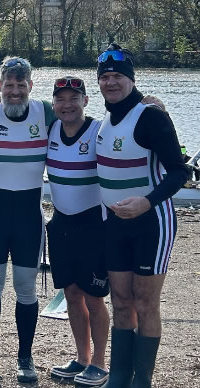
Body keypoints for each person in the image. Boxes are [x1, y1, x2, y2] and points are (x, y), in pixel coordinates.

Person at [95, 44, 188, 388]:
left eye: (118, 76)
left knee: (145, 301)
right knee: (120, 299)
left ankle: (142, 380)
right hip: (115, 225)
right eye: (104, 77)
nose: (111, 83)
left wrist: (147, 202)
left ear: (131, 80)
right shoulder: (104, 120)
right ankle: (119, 376)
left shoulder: (150, 116)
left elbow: (180, 173)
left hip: (152, 222)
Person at [0, 57, 55, 383]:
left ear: (31, 86)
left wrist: (150, 102)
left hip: (29, 221)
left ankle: (25, 357)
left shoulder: (45, 112)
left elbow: (83, 120)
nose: (15, 91)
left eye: (21, 85)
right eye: (9, 85)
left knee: (25, 289)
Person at [45, 76, 110, 387]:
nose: (67, 105)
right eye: (61, 99)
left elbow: (133, 130)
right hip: (61, 223)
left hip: (93, 225)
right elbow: (16, 109)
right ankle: (82, 358)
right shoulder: (50, 128)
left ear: (86, 100)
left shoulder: (100, 130)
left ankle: (99, 362)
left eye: (74, 98)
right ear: (54, 103)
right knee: (71, 294)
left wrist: (152, 107)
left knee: (94, 297)